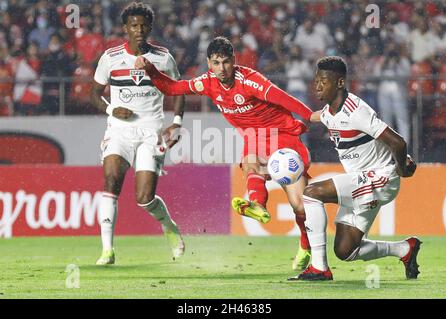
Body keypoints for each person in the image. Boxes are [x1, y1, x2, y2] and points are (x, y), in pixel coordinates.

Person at [135, 36, 314, 271]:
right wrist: (150, 69)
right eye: (216, 63)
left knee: (299, 205)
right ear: (209, 62)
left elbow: (285, 99)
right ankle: (258, 205)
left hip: (282, 134)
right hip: (255, 137)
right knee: (251, 164)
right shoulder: (208, 82)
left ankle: (306, 244)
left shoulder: (250, 80)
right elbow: (172, 88)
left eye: (226, 62)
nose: (222, 69)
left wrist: (310, 116)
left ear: (234, 61)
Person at [289, 56, 421, 281]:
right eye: (316, 81)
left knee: (311, 193)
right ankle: (404, 249)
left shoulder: (356, 111)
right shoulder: (329, 112)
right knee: (345, 250)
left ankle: (319, 268)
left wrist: (401, 168)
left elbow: (398, 142)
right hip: (363, 180)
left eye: (323, 81)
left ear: (340, 83)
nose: (317, 85)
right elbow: (311, 117)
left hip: (380, 178)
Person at [90, 2, 185, 265]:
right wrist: (111, 109)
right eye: (134, 25)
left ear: (150, 27)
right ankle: (107, 251)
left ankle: (169, 226)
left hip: (151, 132)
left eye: (143, 25)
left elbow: (178, 92)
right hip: (119, 131)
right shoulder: (110, 58)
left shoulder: (163, 58)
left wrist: (176, 123)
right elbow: (94, 94)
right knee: (111, 181)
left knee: (144, 198)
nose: (139, 29)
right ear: (125, 28)